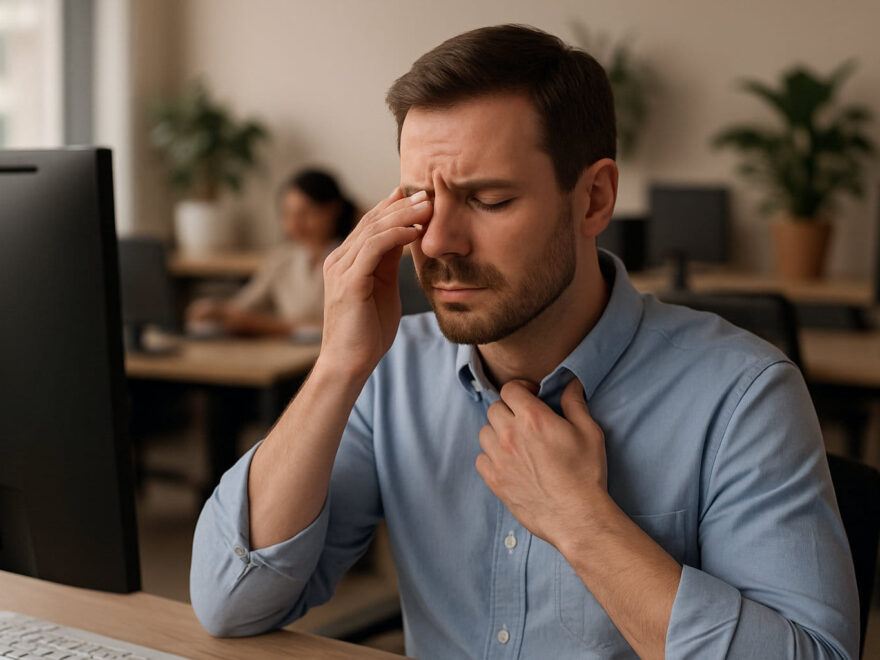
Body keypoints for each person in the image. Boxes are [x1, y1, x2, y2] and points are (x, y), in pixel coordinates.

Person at [190, 25, 859, 659]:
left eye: (488, 200)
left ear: (593, 199)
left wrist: (580, 520)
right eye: (420, 198)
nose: (440, 242)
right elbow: (229, 601)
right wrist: (338, 364)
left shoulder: (742, 394)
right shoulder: (390, 371)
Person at [186, 168, 356, 337]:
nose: (294, 224)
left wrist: (263, 325)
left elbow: (342, 328)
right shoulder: (283, 258)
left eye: (305, 213)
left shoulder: (353, 258)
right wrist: (215, 310)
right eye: (288, 214)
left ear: (332, 210)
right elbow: (244, 304)